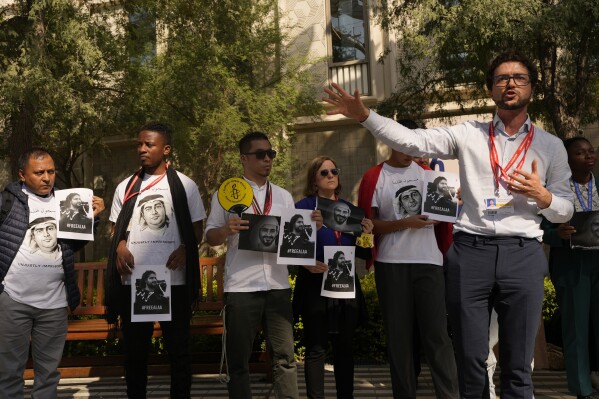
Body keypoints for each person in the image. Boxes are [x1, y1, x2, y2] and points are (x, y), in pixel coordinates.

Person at [327, 50, 574, 398]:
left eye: (519, 78)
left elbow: (565, 210)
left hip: (522, 253)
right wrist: (366, 116)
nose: (510, 84)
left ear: (531, 88)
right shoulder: (468, 134)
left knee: (518, 365)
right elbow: (413, 140)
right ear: (490, 89)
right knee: (470, 359)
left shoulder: (551, 147)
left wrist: (543, 196)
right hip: (471, 253)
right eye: (502, 78)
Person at [106, 123, 205, 399]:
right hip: (135, 282)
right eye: (140, 144)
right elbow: (115, 229)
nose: (142, 149)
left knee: (179, 353)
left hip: (174, 282)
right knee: (135, 355)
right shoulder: (126, 186)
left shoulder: (185, 185)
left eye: (149, 144)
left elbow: (197, 229)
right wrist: (120, 245)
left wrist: (186, 247)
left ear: (166, 149)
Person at [0, 148, 105, 399]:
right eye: (39, 172)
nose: (47, 177)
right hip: (13, 299)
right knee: (8, 373)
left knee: (48, 375)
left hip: (55, 303)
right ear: (22, 175)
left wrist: (93, 219)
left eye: (51, 171)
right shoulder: (7, 201)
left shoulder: (69, 200)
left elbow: (70, 246)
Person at [205, 131, 302, 399]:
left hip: (278, 284)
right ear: (244, 159)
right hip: (242, 286)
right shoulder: (226, 193)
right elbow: (210, 237)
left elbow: (294, 239)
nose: (267, 159)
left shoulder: (282, 195)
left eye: (271, 153)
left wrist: (308, 228)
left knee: (285, 358)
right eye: (261, 154)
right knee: (239, 362)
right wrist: (226, 229)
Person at [360, 144, 459, 398]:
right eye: (406, 147)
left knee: (437, 336)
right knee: (399, 339)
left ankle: (448, 395)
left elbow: (447, 221)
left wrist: (453, 203)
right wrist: (405, 223)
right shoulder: (375, 176)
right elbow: (368, 225)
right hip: (391, 263)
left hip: (429, 261)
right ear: (393, 144)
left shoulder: (430, 174)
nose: (412, 153)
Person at [293, 155, 372, 399]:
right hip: (315, 283)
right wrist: (311, 232)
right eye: (324, 173)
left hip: (344, 282)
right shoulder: (304, 207)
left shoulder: (348, 209)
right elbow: (292, 249)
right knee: (316, 348)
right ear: (314, 181)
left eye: (334, 171)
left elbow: (362, 251)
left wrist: (366, 234)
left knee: (344, 349)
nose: (331, 176)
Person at [542, 136, 599, 399]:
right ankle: (582, 389)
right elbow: (540, 228)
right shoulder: (555, 190)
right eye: (580, 153)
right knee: (576, 328)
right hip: (571, 262)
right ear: (567, 159)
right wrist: (557, 234)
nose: (588, 156)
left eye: (590, 151)